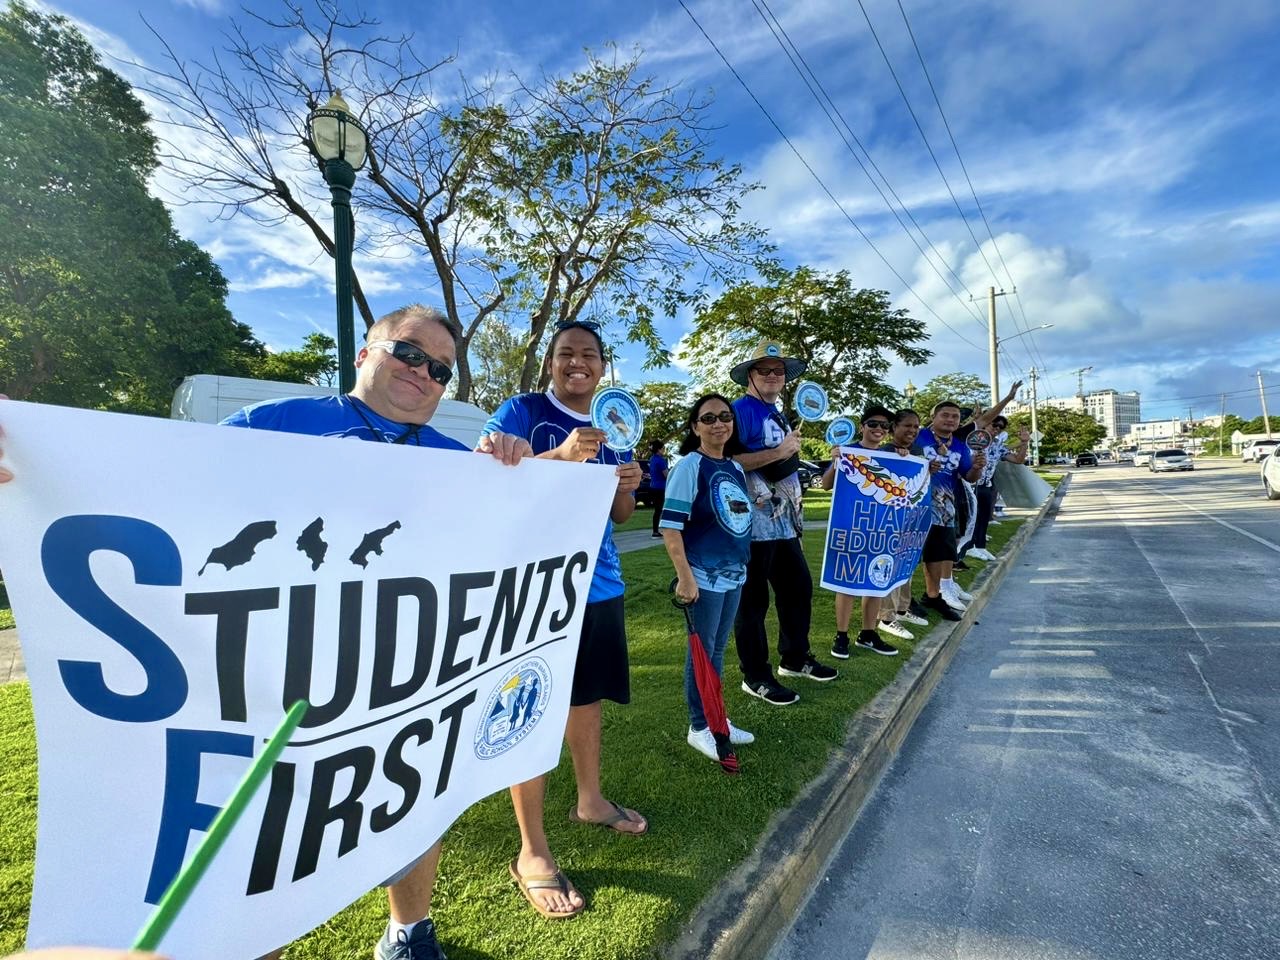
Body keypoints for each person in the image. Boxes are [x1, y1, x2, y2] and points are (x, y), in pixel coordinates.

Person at [1, 305, 532, 960]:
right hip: (270, 680)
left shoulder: (460, 461)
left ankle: (408, 932)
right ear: (365, 354)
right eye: (409, 352)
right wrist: (35, 457)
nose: (424, 372)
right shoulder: (274, 424)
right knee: (264, 845)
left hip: (398, 682)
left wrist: (520, 467)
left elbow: (519, 529)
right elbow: (153, 481)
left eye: (441, 369)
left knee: (413, 804)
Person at [480, 319, 647, 920]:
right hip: (533, 587)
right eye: (566, 353)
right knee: (526, 704)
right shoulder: (521, 411)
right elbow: (486, 485)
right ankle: (531, 850)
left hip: (598, 582)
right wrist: (560, 456)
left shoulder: (617, 423)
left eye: (589, 355)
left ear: (603, 366)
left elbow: (621, 515)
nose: (578, 362)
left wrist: (626, 484)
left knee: (586, 698)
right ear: (551, 362)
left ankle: (590, 801)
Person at [729, 342, 837, 707]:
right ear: (750, 375)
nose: (773, 376)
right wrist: (780, 452)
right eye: (765, 369)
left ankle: (794, 658)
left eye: (778, 370)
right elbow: (729, 460)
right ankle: (755, 675)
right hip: (753, 526)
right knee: (752, 603)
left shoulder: (776, 413)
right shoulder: (739, 411)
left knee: (797, 590)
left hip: (785, 524)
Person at [658, 394, 755, 760]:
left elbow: (735, 514)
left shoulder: (735, 468)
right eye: (709, 418)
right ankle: (700, 727)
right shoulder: (689, 466)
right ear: (695, 426)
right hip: (704, 576)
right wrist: (685, 577)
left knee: (716, 650)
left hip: (734, 575)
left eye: (725, 417)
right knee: (702, 653)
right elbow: (671, 527)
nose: (719, 424)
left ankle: (717, 720)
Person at [819, 407, 901, 658]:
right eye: (873, 424)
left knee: (876, 581)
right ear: (862, 426)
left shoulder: (892, 456)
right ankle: (841, 635)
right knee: (847, 581)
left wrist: (907, 459)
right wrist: (836, 461)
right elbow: (826, 485)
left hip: (881, 529)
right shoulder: (847, 450)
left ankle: (868, 633)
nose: (879, 429)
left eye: (884, 426)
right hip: (850, 526)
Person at [917, 401, 985, 621]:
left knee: (938, 554)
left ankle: (933, 596)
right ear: (933, 417)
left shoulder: (959, 446)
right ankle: (902, 603)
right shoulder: (918, 436)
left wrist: (977, 467)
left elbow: (969, 477)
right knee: (911, 553)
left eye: (955, 416)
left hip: (944, 508)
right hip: (915, 506)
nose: (950, 420)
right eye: (945, 415)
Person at [880, 409, 930, 630]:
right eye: (907, 425)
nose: (912, 430)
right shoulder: (884, 452)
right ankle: (886, 617)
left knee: (906, 564)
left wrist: (930, 469)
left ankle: (902, 609)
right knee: (890, 566)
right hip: (890, 519)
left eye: (916, 426)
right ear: (894, 428)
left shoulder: (917, 451)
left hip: (912, 519)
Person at [961, 416, 1029, 561]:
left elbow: (1018, 460)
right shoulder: (972, 440)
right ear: (986, 424)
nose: (997, 429)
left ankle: (980, 546)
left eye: (1001, 427)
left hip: (986, 484)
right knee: (972, 518)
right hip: (970, 485)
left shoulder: (997, 445)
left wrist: (1024, 443)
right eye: (994, 425)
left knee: (984, 517)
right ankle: (969, 547)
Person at [648, 439, 669, 538]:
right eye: (663, 448)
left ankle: (655, 530)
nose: (664, 450)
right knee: (661, 509)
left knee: (657, 510)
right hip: (661, 487)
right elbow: (666, 475)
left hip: (653, 486)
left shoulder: (652, 459)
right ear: (659, 449)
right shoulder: (661, 460)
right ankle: (657, 532)